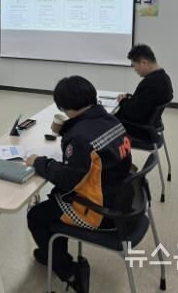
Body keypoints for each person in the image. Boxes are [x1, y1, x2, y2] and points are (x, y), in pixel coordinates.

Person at [25, 76, 132, 290]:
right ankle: (52, 253)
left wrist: (39, 162)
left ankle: (69, 272)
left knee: (36, 216)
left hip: (101, 212)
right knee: (54, 202)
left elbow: (67, 180)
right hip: (123, 198)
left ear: (64, 107)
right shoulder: (112, 120)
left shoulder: (80, 137)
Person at [115, 44, 173, 139]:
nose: (135, 70)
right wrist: (129, 98)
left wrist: (122, 101)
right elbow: (144, 101)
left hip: (139, 129)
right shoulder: (164, 78)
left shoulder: (150, 83)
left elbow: (134, 113)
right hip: (151, 124)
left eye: (134, 66)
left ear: (143, 62)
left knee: (105, 120)